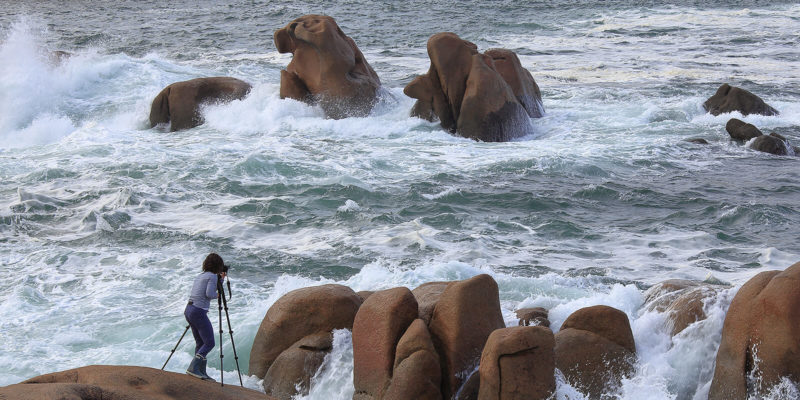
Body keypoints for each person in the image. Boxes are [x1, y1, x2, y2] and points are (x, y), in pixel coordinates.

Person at [184, 253, 226, 381]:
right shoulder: (213, 276)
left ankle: (200, 371)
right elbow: (209, 294)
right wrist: (218, 295)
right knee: (209, 342)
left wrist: (221, 280)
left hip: (189, 310)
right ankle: (194, 368)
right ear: (218, 266)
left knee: (200, 342)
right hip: (198, 311)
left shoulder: (201, 276)